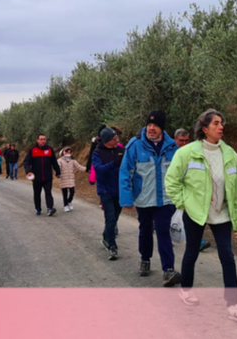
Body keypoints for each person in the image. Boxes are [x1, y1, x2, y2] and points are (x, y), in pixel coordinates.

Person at [165, 109, 237, 322]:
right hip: (195, 213)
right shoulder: (186, 152)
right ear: (204, 128)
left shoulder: (230, 154)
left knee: (227, 257)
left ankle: (233, 303)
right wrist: (184, 203)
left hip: (222, 215)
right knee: (192, 252)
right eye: (216, 123)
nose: (221, 127)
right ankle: (186, 289)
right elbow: (171, 181)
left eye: (222, 123)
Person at [119, 111, 180, 286]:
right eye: (149, 125)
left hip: (165, 199)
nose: (151, 128)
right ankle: (145, 259)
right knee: (145, 230)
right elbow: (125, 172)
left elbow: (180, 174)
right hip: (143, 198)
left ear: (162, 128)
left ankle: (168, 269)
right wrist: (126, 199)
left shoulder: (172, 147)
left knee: (163, 231)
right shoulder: (135, 145)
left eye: (155, 125)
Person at [174, 129, 211, 253]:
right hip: (172, 194)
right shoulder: (172, 153)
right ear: (175, 140)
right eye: (181, 141)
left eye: (186, 140)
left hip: (188, 195)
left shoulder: (191, 153)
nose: (184, 143)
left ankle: (196, 242)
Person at [92, 127, 124, 260]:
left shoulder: (121, 150)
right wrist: (114, 163)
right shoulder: (97, 152)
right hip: (105, 191)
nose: (117, 140)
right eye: (114, 138)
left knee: (115, 217)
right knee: (110, 218)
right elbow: (99, 170)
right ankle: (112, 246)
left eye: (117, 137)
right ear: (106, 141)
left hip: (120, 189)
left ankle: (106, 236)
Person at [23, 134, 61, 216]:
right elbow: (26, 162)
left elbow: (54, 162)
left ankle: (50, 208)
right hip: (36, 177)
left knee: (48, 192)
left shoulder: (50, 149)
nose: (43, 141)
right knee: (37, 194)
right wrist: (28, 171)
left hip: (47, 177)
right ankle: (38, 208)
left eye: (44, 139)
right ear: (37, 140)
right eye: (41, 139)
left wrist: (58, 172)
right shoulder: (33, 150)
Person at [57, 147, 86, 212]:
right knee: (64, 193)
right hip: (63, 178)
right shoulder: (59, 160)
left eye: (70, 152)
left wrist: (86, 169)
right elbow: (57, 167)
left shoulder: (73, 161)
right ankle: (65, 205)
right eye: (67, 152)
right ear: (63, 152)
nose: (68, 153)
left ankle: (69, 201)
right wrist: (57, 172)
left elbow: (79, 167)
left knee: (72, 192)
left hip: (71, 179)